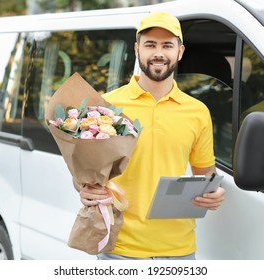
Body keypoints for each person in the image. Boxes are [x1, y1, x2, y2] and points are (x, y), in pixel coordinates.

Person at [76, 11, 225, 260]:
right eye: (150, 45)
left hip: (180, 250)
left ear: (180, 51)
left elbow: (206, 175)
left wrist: (214, 193)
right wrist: (84, 189)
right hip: (120, 249)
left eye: (167, 45)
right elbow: (86, 174)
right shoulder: (108, 105)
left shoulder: (198, 112)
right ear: (137, 50)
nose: (159, 53)